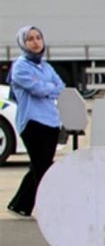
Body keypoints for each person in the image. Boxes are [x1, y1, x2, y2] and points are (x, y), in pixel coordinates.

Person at [6, 25, 62, 218]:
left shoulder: (45, 66)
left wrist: (46, 87)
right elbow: (36, 89)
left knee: (40, 165)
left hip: (51, 121)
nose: (36, 42)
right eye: (30, 39)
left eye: (38, 37)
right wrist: (48, 87)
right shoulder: (20, 66)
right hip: (32, 122)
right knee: (43, 167)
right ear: (23, 43)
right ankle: (50, 207)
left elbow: (60, 87)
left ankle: (19, 204)